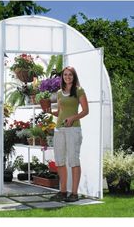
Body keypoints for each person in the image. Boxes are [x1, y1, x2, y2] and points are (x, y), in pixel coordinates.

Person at [49, 66, 89, 202]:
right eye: (65, 75)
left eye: (70, 75)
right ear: (62, 77)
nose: (67, 77)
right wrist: (49, 110)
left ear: (74, 76)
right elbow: (60, 112)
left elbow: (85, 110)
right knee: (60, 160)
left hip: (73, 130)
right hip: (59, 129)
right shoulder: (60, 93)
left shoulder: (79, 90)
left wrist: (72, 118)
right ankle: (63, 191)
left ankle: (74, 194)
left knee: (73, 160)